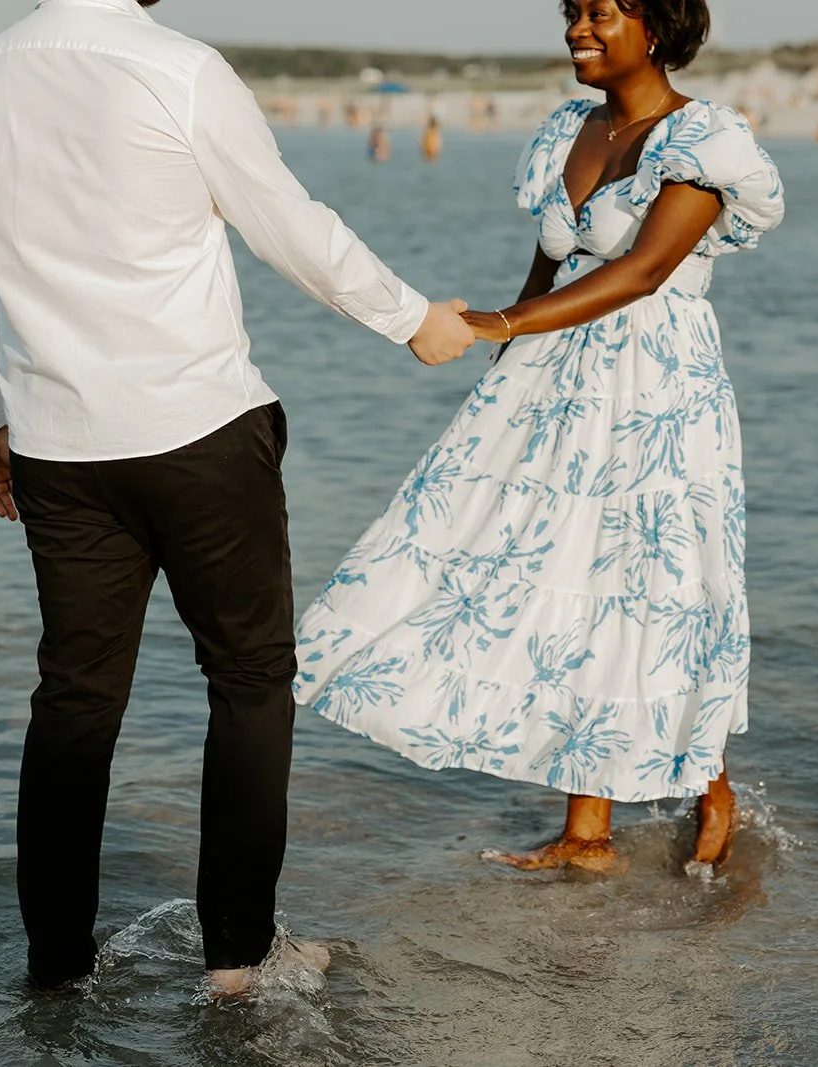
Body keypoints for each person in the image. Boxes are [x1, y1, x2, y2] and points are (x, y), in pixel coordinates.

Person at [0, 0, 475, 996]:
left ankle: (55, 966)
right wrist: (409, 319)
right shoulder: (177, 68)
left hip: (56, 441)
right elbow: (286, 221)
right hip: (195, 432)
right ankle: (237, 958)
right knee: (249, 680)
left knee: (76, 700)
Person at [295, 0, 785, 874]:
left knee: (650, 580)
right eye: (571, 14)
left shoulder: (704, 138)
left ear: (659, 26)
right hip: (553, 377)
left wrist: (494, 324)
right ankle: (586, 830)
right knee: (542, 567)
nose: (576, 29)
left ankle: (707, 777)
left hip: (656, 392)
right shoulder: (571, 128)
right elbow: (551, 262)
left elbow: (643, 272)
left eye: (600, 12)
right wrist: (502, 373)